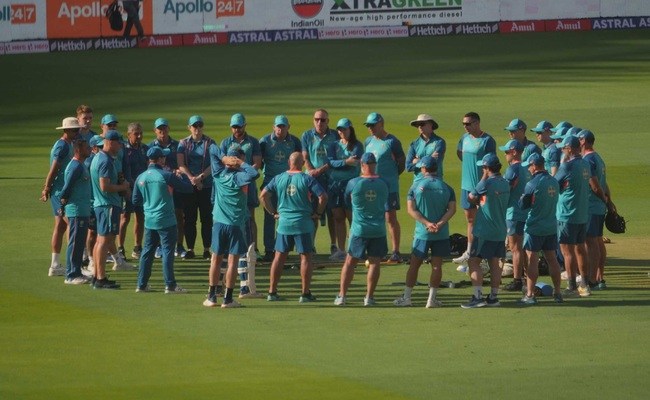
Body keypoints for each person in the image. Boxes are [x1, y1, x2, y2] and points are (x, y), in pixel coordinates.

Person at [260, 152, 327, 302]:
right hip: (303, 224)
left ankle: (272, 292)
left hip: (284, 224)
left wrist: (273, 212)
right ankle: (305, 293)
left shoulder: (279, 178)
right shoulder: (306, 178)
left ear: (289, 163)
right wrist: (318, 213)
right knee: (306, 257)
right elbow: (323, 196)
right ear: (303, 163)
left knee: (279, 257)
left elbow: (263, 196)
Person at [393, 156, 456, 308]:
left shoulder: (416, 186)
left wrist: (427, 223)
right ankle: (431, 300)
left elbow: (411, 210)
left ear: (423, 169)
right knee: (437, 266)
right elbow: (452, 209)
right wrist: (439, 224)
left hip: (423, 233)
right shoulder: (447, 187)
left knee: (414, 265)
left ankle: (407, 297)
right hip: (440, 233)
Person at [204, 148, 261, 308]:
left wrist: (223, 158)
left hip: (219, 224)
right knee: (232, 262)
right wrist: (241, 163)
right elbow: (254, 174)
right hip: (235, 225)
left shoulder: (218, 174)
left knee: (215, 260)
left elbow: (212, 149)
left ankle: (211, 297)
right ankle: (227, 299)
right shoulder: (239, 177)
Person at [133, 146, 193, 294]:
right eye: (163, 157)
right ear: (160, 159)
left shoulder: (141, 177)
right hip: (166, 220)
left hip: (150, 220)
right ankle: (170, 285)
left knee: (147, 251)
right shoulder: (167, 175)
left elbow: (135, 200)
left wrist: (149, 205)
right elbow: (188, 188)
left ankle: (141, 285)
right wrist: (183, 176)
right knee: (167, 252)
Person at [334, 153, 389, 306]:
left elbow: (347, 201)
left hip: (359, 229)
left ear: (362, 165)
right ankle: (369, 298)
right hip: (378, 229)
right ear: (375, 164)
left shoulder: (353, 183)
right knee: (374, 263)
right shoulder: (384, 183)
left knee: (350, 262)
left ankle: (342, 296)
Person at [219, 113, 264, 297]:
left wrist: (241, 166)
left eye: (239, 126)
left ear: (244, 125)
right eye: (234, 127)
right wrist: (241, 168)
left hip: (244, 184)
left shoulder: (252, 141)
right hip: (238, 183)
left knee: (249, 216)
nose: (236, 129)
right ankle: (242, 286)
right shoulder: (225, 142)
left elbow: (257, 163)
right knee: (240, 231)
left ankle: (252, 246)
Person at [460, 153, 510, 309]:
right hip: (500, 230)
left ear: (487, 168)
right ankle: (493, 297)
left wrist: (483, 177)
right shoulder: (505, 183)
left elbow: (470, 197)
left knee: (473, 261)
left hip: (484, 231)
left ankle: (477, 297)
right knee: (494, 263)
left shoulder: (486, 184)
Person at [90, 130, 132, 289]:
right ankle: (100, 278)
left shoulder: (99, 158)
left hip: (102, 204)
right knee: (105, 241)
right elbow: (105, 186)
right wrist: (124, 186)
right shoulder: (105, 161)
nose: (121, 146)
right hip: (107, 205)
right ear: (111, 142)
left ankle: (97, 275)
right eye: (119, 143)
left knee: (101, 240)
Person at [518, 153, 563, 304]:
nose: (529, 169)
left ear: (535, 166)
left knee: (532, 260)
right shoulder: (554, 181)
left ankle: (530, 295)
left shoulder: (532, 184)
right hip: (551, 226)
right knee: (552, 259)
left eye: (529, 166)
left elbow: (523, 205)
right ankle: (557, 293)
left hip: (535, 227)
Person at [454, 112, 497, 265]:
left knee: (484, 221)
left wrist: (483, 181)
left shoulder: (487, 140)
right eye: (463, 124)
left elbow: (491, 163)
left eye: (468, 123)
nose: (465, 127)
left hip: (482, 187)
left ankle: (484, 254)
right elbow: (460, 154)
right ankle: (470, 251)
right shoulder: (464, 139)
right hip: (466, 186)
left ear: (477, 123)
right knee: (470, 220)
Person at [41, 117, 81, 277]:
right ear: (66, 131)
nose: (77, 132)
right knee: (72, 226)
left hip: (62, 191)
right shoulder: (62, 146)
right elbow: (54, 169)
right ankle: (73, 265)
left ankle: (56, 265)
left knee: (61, 226)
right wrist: (46, 188)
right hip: (60, 192)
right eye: (74, 130)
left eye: (77, 130)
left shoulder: (68, 144)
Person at [258, 115, 302, 261]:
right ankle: (269, 249)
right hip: (270, 182)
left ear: (288, 127)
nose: (280, 129)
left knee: (286, 216)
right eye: (278, 126)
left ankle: (283, 249)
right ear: (273, 126)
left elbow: (300, 159)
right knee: (270, 216)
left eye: (283, 126)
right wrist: (267, 171)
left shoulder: (294, 141)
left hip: (288, 184)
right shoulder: (265, 141)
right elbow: (259, 160)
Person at [363, 112, 406, 262]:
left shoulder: (392, 141)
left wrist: (391, 176)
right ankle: (378, 250)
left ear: (381, 123)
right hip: (372, 188)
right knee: (375, 217)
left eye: (373, 125)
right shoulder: (368, 141)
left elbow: (401, 163)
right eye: (368, 125)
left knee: (390, 217)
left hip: (389, 187)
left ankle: (395, 250)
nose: (370, 128)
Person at [555, 135, 592, 297]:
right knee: (580, 249)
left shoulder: (567, 166)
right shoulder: (585, 163)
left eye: (564, 148)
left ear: (569, 149)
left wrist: (562, 163)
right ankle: (584, 284)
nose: (562, 151)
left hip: (567, 215)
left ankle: (571, 286)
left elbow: (554, 184)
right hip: (582, 214)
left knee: (567, 252)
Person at [147, 118, 187, 258]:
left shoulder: (177, 145)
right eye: (159, 129)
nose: (162, 131)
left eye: (164, 128)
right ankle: (159, 246)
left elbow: (182, 163)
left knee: (179, 215)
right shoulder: (150, 146)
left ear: (168, 129)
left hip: (174, 185)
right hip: (158, 188)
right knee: (159, 215)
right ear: (155, 130)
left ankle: (180, 246)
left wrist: (177, 171)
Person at [302, 109, 339, 255]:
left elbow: (335, 158)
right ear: (313, 120)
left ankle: (333, 244)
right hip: (312, 179)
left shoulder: (334, 135)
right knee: (312, 213)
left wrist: (320, 170)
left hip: (330, 178)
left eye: (323, 120)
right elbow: (305, 156)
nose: (320, 122)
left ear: (328, 121)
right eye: (317, 119)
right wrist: (311, 171)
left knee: (332, 213)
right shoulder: (307, 135)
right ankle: (311, 244)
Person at [579, 130, 612, 289]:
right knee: (597, 241)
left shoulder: (589, 159)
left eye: (579, 139)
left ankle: (592, 279)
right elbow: (604, 184)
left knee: (591, 242)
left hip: (591, 206)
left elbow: (595, 184)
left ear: (584, 141)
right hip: (598, 206)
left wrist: (604, 198)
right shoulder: (598, 158)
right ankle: (599, 278)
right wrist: (608, 201)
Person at [178, 115, 215, 260]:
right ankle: (190, 249)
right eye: (195, 126)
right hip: (189, 185)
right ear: (189, 128)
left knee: (206, 218)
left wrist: (200, 178)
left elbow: (213, 165)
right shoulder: (183, 143)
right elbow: (181, 164)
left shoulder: (210, 143)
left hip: (205, 184)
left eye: (200, 126)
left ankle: (207, 249)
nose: (197, 129)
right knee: (189, 218)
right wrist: (192, 179)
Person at [327, 118, 364, 261]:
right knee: (338, 217)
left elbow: (354, 164)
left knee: (352, 217)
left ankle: (355, 249)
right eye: (339, 130)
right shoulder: (334, 145)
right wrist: (345, 162)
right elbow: (330, 162)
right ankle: (341, 249)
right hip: (334, 185)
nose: (341, 132)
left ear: (350, 129)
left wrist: (341, 163)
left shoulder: (356, 145)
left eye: (344, 129)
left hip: (351, 184)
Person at [499, 139, 531, 292]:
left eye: (506, 152)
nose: (505, 155)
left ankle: (517, 280)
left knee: (515, 248)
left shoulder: (513, 170)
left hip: (514, 213)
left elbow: (506, 190)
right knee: (524, 248)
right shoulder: (526, 168)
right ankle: (525, 278)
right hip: (526, 212)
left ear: (514, 152)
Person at [59, 138, 93, 285]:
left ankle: (77, 271)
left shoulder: (81, 165)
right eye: (86, 148)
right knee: (75, 242)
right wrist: (63, 202)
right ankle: (71, 275)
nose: (90, 149)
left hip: (82, 210)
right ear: (78, 150)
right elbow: (66, 188)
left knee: (79, 243)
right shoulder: (75, 167)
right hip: (76, 210)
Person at [119, 122, 148, 259]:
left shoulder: (145, 149)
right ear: (129, 134)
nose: (139, 136)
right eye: (136, 134)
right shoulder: (123, 149)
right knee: (125, 218)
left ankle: (137, 247)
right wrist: (130, 182)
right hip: (128, 189)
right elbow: (121, 169)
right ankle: (120, 247)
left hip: (142, 189)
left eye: (141, 133)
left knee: (140, 217)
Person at [405, 114, 446, 182]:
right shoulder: (414, 144)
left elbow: (435, 163)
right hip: (418, 183)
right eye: (418, 125)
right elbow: (408, 167)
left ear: (430, 125)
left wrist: (417, 161)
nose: (420, 127)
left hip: (435, 182)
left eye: (422, 124)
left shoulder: (439, 142)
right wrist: (430, 157)